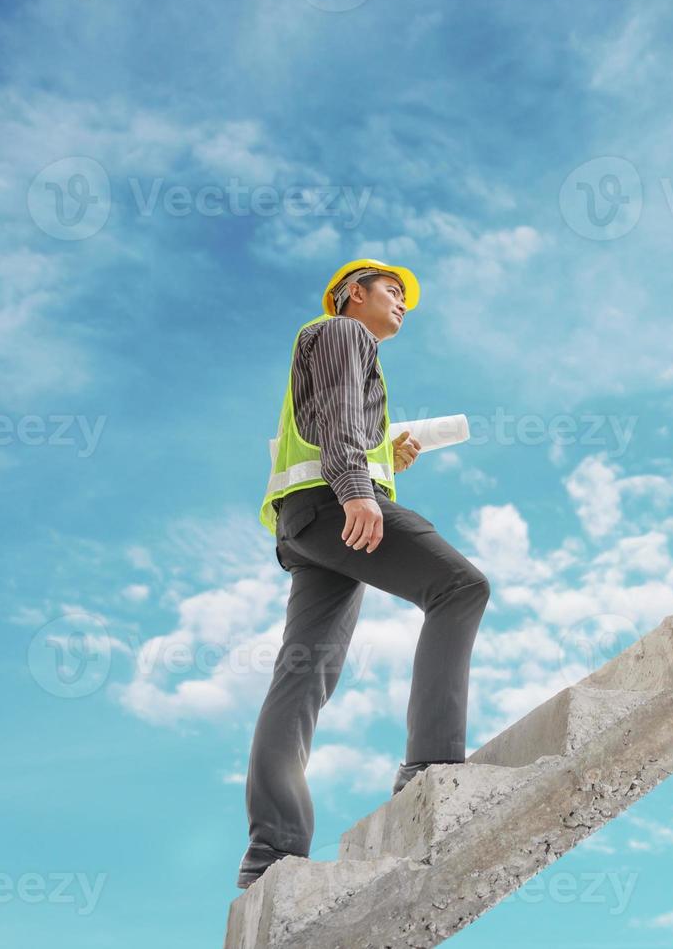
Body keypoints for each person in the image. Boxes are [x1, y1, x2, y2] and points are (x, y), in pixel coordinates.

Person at [236, 259, 490, 890]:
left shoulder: (333, 347)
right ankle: (430, 764)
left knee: (302, 677)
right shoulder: (342, 333)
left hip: (307, 523)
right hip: (332, 504)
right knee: (460, 587)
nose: (403, 302)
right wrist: (358, 487)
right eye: (391, 290)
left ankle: (272, 853)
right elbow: (336, 414)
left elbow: (334, 416)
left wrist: (386, 456)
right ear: (353, 294)